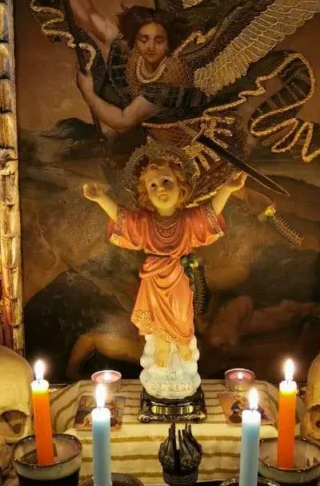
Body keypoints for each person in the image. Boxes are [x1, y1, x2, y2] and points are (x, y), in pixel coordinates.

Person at [82, 155, 246, 369]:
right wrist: (101, 198)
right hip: (154, 278)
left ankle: (182, 341)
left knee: (181, 312)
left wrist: (228, 189)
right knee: (157, 313)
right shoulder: (145, 222)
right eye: (153, 185)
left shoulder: (188, 220)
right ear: (146, 195)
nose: (160, 188)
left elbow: (210, 214)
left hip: (179, 275)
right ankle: (162, 346)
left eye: (166, 181)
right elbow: (123, 219)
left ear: (180, 186)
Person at [42, 0, 202, 136]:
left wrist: (89, 95)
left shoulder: (170, 81)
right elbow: (88, 15)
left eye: (159, 40)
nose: (150, 47)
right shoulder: (130, 51)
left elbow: (123, 121)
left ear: (169, 44)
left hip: (185, 142)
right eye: (144, 39)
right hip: (147, 135)